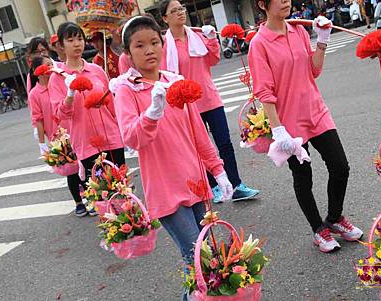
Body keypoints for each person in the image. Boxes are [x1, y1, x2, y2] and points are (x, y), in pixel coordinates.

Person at [111, 16, 233, 301]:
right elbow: (131, 137)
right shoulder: (126, 90)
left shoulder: (175, 82)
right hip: (166, 190)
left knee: (208, 258)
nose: (149, 50)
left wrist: (219, 171)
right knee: (196, 258)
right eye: (139, 45)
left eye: (154, 42)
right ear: (128, 54)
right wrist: (151, 114)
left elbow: (198, 134)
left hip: (196, 182)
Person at [248, 0, 363, 253]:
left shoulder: (298, 30)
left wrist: (322, 40)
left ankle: (334, 219)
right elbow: (264, 91)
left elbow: (314, 70)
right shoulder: (259, 43)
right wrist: (278, 130)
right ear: (262, 4)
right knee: (303, 176)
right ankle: (317, 229)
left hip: (316, 111)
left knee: (340, 166)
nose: (286, 1)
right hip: (289, 121)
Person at [160, 0, 259, 203]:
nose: (180, 13)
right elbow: (163, 75)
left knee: (224, 143)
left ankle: (236, 184)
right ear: (165, 18)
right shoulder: (163, 45)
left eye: (182, 8)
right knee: (199, 149)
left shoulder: (196, 36)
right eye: (174, 10)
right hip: (186, 106)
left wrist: (212, 38)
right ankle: (213, 187)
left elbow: (213, 60)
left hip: (210, 98)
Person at [48, 22, 125, 181]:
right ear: (61, 45)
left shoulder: (96, 70)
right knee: (102, 194)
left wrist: (123, 128)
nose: (77, 44)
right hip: (85, 143)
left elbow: (112, 105)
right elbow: (61, 114)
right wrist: (69, 94)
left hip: (111, 137)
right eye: (70, 40)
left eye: (79, 39)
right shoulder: (57, 78)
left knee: (122, 188)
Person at [28, 55, 90, 217]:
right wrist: (42, 144)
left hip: (74, 129)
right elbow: (38, 120)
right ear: (38, 72)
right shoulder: (35, 94)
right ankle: (78, 202)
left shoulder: (60, 81)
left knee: (83, 166)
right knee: (71, 171)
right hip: (58, 137)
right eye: (47, 65)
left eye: (52, 63)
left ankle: (90, 198)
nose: (52, 66)